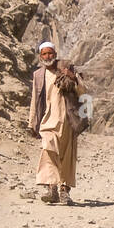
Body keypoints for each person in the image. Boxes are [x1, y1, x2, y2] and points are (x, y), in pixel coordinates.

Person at [27, 41, 88, 205]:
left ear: (55, 54)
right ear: (40, 56)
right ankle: (51, 187)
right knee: (48, 150)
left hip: (68, 120)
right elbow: (34, 99)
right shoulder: (38, 75)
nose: (47, 56)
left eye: (50, 53)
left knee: (67, 157)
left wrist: (73, 77)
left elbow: (83, 91)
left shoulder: (67, 68)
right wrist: (32, 122)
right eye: (44, 54)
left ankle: (64, 191)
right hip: (48, 120)